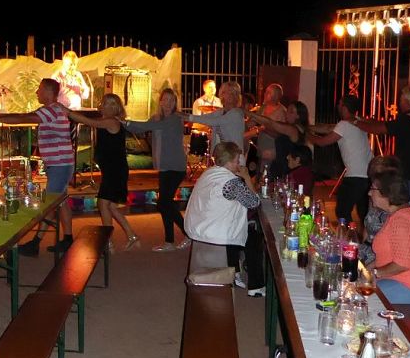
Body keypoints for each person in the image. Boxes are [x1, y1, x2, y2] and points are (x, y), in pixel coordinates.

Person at [0, 79, 74, 254]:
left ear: (48, 92)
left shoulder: (51, 110)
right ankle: (68, 238)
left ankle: (36, 243)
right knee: (61, 201)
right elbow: (25, 115)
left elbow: (24, 119)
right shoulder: (52, 109)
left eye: (39, 89)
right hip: (61, 163)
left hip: (60, 164)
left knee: (50, 203)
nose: (37, 92)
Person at [62, 94, 140, 250]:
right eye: (103, 103)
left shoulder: (111, 122)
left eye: (107, 104)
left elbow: (89, 122)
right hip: (112, 169)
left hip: (115, 170)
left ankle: (107, 241)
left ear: (115, 107)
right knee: (110, 206)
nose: (103, 106)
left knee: (103, 203)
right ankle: (132, 236)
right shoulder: (108, 121)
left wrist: (67, 111)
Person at [184, 141, 263, 295]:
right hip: (214, 233)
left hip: (198, 227)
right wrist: (247, 177)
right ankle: (256, 287)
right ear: (230, 161)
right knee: (252, 237)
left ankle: (235, 270)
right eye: (237, 161)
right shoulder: (231, 182)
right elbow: (254, 203)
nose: (239, 164)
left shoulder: (209, 173)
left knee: (239, 227)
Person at [355, 85, 410, 217]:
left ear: (407, 101)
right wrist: (365, 120)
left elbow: (380, 129)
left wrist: (355, 123)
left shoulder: (408, 118)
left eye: (401, 99)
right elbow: (388, 125)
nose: (399, 102)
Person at [125, 88, 190, 251]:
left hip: (175, 166)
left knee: (163, 203)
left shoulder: (175, 119)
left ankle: (186, 234)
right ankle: (172, 241)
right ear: (160, 101)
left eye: (171, 100)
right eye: (165, 99)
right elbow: (142, 128)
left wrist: (124, 122)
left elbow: (145, 126)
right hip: (165, 166)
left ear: (175, 103)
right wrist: (124, 123)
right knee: (165, 203)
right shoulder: (156, 118)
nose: (168, 103)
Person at [368, 167, 410, 304]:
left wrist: (373, 273)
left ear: (386, 193)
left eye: (372, 189)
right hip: (399, 279)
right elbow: (390, 254)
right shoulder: (401, 213)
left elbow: (401, 265)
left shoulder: (401, 220)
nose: (369, 193)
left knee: (357, 295)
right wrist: (367, 268)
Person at [309, 95, 372, 223]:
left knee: (342, 211)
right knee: (363, 213)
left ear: (344, 107)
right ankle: (363, 235)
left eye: (339, 103)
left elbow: (322, 142)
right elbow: (327, 128)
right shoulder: (358, 122)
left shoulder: (343, 125)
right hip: (369, 174)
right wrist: (307, 127)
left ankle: (348, 234)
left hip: (355, 176)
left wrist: (305, 135)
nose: (337, 106)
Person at [246, 100, 310, 181]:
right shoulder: (296, 129)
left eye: (291, 112)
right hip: (279, 166)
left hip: (283, 169)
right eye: (287, 110)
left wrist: (248, 113)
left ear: (298, 116)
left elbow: (271, 123)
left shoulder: (293, 129)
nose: (287, 113)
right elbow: (281, 138)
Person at [186, 81, 246, 153]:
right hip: (221, 155)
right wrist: (182, 116)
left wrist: (189, 118)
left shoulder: (236, 113)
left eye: (233, 93)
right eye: (226, 92)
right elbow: (204, 118)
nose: (230, 95)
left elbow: (215, 122)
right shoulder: (220, 112)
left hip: (234, 156)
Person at [248, 84, 288, 173]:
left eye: (268, 92)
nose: (265, 94)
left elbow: (281, 135)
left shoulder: (282, 112)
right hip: (261, 149)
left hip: (272, 151)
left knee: (266, 175)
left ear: (276, 96)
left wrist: (263, 129)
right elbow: (252, 121)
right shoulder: (263, 107)